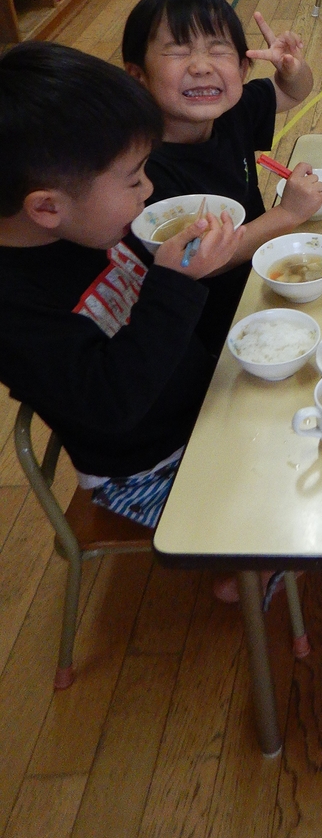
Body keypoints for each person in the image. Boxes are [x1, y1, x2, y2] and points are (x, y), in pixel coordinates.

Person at [0, 43, 240, 529]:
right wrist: (173, 282)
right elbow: (113, 402)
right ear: (47, 208)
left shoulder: (83, 225)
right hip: (147, 468)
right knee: (302, 521)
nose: (148, 190)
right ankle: (244, 576)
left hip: (202, 405)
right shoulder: (13, 308)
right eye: (133, 181)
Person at [123, 0, 322, 358]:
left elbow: (295, 91)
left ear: (244, 68)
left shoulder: (232, 112)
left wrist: (291, 68)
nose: (201, 66)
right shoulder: (139, 170)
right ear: (138, 76)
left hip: (265, 281)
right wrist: (288, 214)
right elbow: (198, 259)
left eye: (218, 49)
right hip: (214, 329)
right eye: (178, 51)